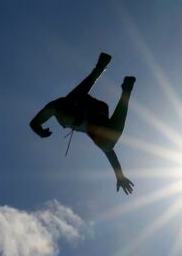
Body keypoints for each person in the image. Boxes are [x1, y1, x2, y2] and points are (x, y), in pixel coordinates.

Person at [30, 52, 136, 194]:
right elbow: (109, 152)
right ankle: (119, 86)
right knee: (107, 143)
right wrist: (120, 176)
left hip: (90, 110)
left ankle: (102, 71)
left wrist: (40, 131)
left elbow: (34, 123)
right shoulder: (68, 113)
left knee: (62, 107)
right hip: (95, 113)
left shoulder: (61, 108)